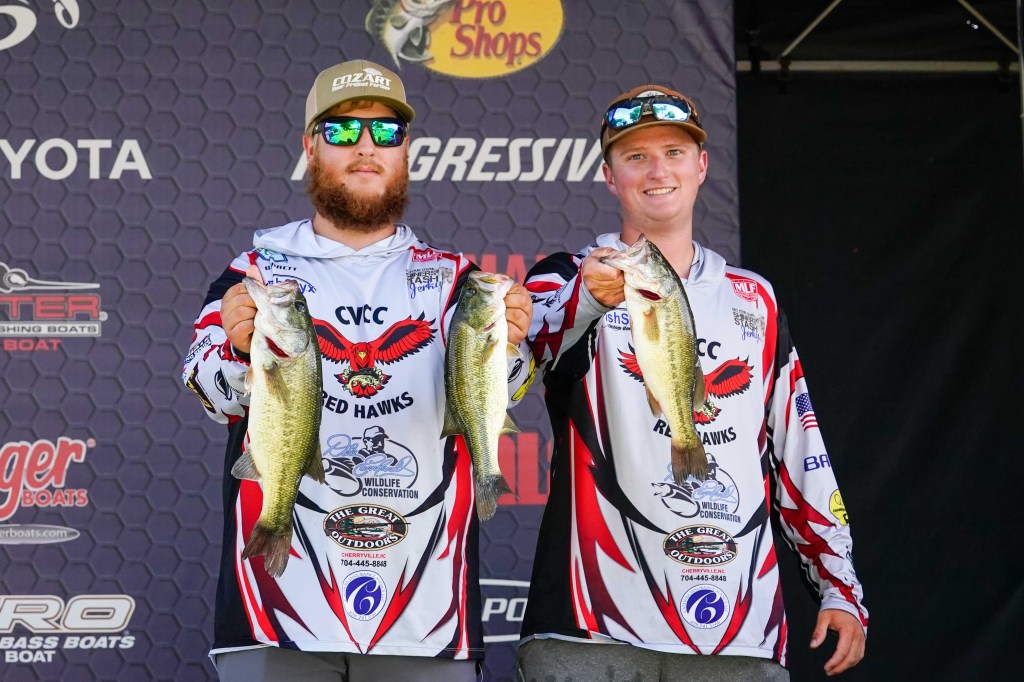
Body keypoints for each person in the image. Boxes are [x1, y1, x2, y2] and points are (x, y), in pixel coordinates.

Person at [181, 58, 533, 682]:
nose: (366, 147)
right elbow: (210, 392)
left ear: (406, 151)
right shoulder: (254, 271)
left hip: (427, 617)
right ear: (310, 147)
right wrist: (237, 350)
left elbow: (509, 390)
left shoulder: (458, 279)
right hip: (275, 610)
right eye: (343, 131)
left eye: (386, 132)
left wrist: (509, 344)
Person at [518, 84, 868, 681]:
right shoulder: (565, 277)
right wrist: (588, 301)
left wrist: (839, 583)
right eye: (636, 156)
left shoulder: (754, 298)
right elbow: (520, 360)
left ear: (702, 165)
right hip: (591, 626)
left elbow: (798, 448)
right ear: (609, 176)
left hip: (738, 630)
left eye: (674, 153)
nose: (658, 171)